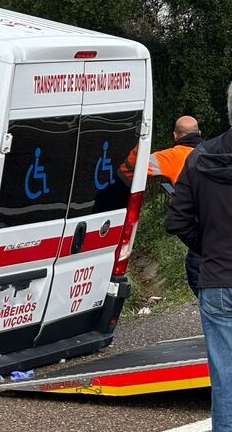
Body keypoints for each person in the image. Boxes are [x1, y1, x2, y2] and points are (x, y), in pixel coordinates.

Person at [164, 82, 232, 431]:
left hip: (218, 279)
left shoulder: (199, 157)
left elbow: (176, 220)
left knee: (225, 381)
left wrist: (207, 246)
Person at [120, 115, 204, 292]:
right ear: (199, 133)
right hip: (223, 217)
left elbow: (129, 168)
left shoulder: (169, 157)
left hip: (198, 223)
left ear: (175, 136)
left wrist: (139, 143)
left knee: (197, 269)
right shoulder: (215, 150)